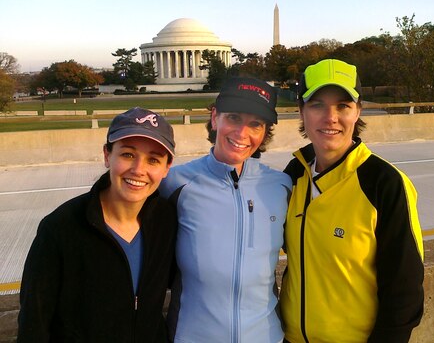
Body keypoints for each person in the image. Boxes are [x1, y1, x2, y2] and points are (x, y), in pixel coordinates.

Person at [280, 59, 424, 342]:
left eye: (343, 106)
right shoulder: (293, 175)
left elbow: (404, 291)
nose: (330, 117)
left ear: (358, 111)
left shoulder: (385, 183)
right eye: (317, 104)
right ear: (301, 112)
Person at [17, 107, 177, 343]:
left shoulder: (167, 220)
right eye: (128, 155)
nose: (138, 170)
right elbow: (34, 322)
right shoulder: (60, 228)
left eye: (153, 159)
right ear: (107, 156)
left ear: (166, 168)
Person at [159, 77, 292, 343]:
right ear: (215, 118)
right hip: (192, 336)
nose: (242, 133)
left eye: (255, 124)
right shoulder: (174, 183)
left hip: (266, 337)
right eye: (233, 117)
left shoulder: (281, 186)